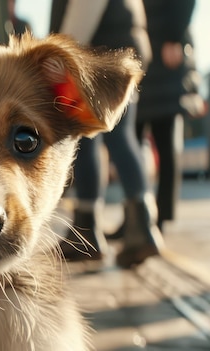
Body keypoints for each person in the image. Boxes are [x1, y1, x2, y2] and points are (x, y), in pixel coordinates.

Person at [51, 0, 164, 269]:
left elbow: (85, 9)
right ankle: (100, 230)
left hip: (98, 58)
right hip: (117, 51)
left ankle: (129, 230)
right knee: (108, 140)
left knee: (110, 139)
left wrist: (57, 57)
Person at [134, 0, 201, 232]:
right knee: (133, 144)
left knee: (165, 145)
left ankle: (160, 219)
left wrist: (174, 37)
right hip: (142, 57)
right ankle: (136, 217)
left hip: (165, 57)